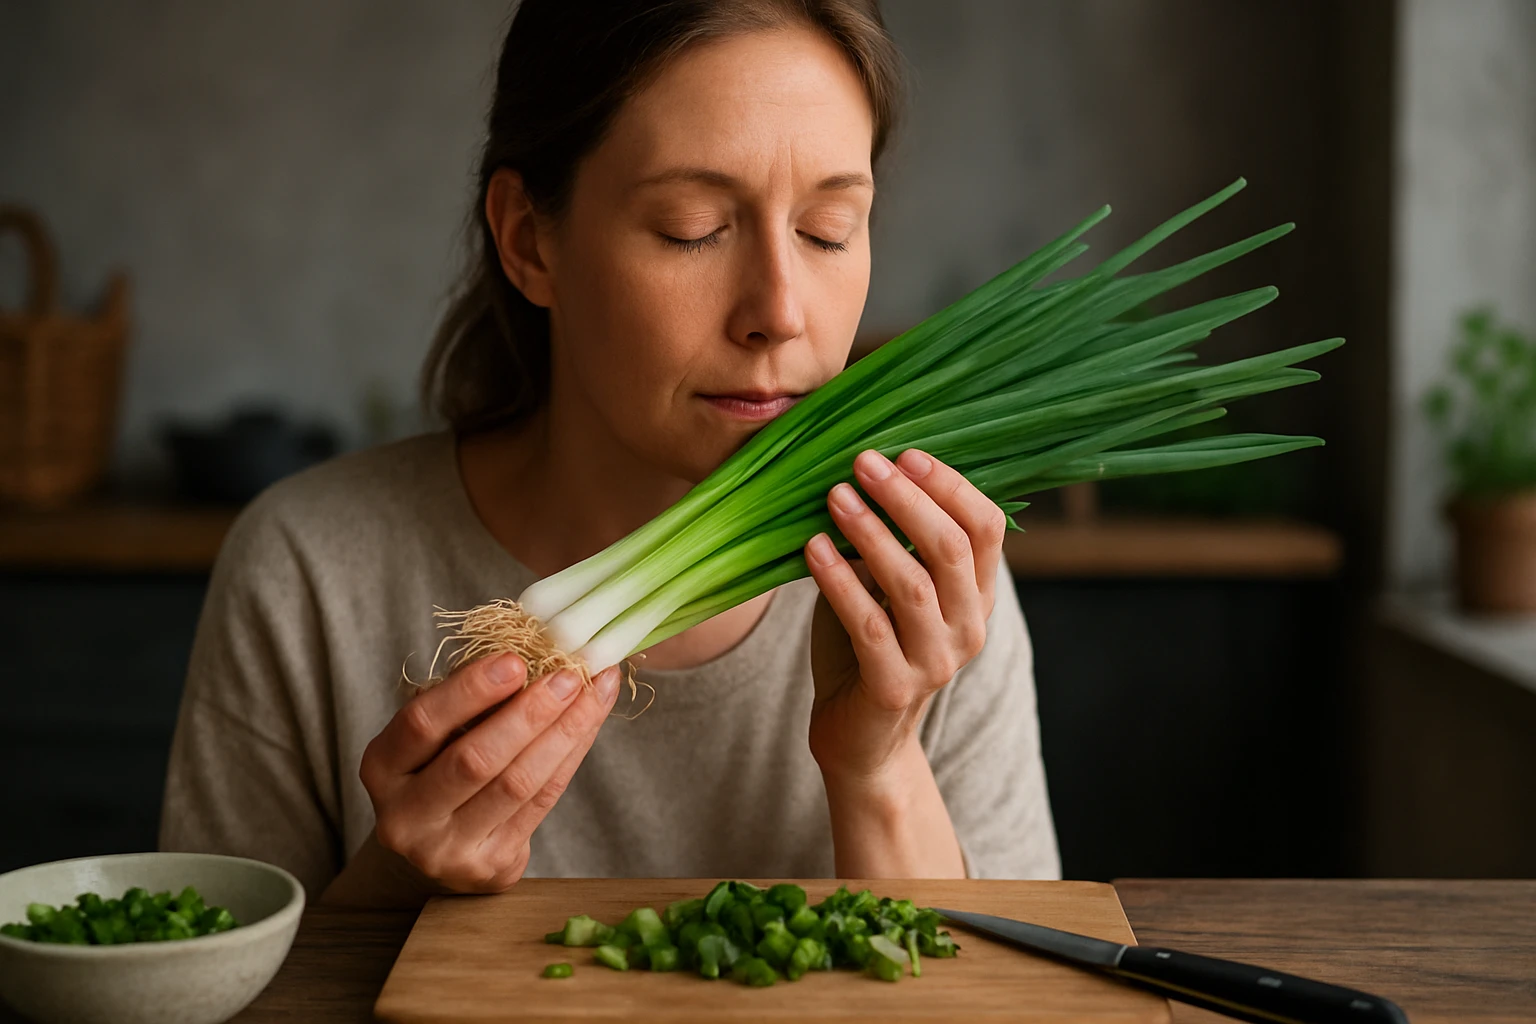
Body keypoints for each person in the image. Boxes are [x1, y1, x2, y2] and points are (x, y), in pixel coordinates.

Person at [159, 0, 1060, 909]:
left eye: (828, 229)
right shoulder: (307, 569)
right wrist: (401, 879)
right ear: (528, 239)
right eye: (691, 227)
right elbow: (214, 976)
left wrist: (880, 766)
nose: (781, 312)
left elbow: (1015, 977)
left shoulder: (925, 582)